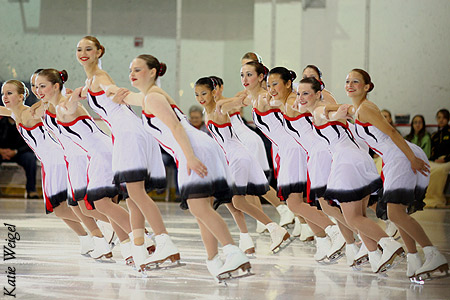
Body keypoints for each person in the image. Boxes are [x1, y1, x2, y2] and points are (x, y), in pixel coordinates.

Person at [110, 54, 251, 281]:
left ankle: (233, 251)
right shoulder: (150, 96)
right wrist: (110, 92)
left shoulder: (153, 97)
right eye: (131, 70)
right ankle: (214, 260)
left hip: (193, 150)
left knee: (200, 209)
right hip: (198, 148)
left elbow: (175, 127)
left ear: (153, 72)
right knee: (201, 209)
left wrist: (190, 157)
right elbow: (132, 97)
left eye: (138, 70)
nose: (132, 75)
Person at [330, 69, 448, 279]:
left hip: (400, 156)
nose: (350, 85)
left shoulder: (366, 108)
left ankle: (433, 253)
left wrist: (411, 158)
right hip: (392, 158)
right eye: (347, 81)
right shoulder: (356, 110)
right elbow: (331, 109)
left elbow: (392, 131)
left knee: (394, 214)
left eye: (355, 82)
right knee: (397, 214)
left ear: (367, 87)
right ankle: (414, 258)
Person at [296, 76, 405, 273]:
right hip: (360, 160)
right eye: (299, 93)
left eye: (306, 93)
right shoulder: (319, 109)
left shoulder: (320, 109)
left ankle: (389, 245)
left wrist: (337, 113)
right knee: (359, 215)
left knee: (352, 218)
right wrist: (339, 111)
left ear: (318, 93)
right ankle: (374, 255)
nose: (301, 98)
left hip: (347, 164)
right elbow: (332, 112)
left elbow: (328, 113)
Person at [75, 36, 167, 269]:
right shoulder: (89, 81)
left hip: (128, 132)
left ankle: (158, 240)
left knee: (133, 195)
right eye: (79, 49)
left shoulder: (100, 78)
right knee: (130, 196)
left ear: (99, 52)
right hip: (124, 133)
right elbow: (86, 92)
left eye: (88, 49)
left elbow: (109, 88)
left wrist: (116, 92)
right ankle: (140, 245)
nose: (83, 52)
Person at [35, 68, 133, 260]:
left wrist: (88, 91)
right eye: (36, 86)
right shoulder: (50, 105)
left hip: (90, 154)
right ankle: (128, 245)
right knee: (91, 204)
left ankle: (140, 237)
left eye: (42, 86)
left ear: (56, 86)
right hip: (84, 155)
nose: (38, 90)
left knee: (95, 204)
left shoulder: (64, 103)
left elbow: (81, 96)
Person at [0, 79, 97, 255]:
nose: (5, 97)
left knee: (66, 205)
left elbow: (48, 105)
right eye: (3, 94)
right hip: (49, 163)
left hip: (57, 161)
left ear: (21, 96)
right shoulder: (15, 113)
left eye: (9, 93)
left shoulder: (30, 113)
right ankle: (86, 238)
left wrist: (58, 95)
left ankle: (98, 232)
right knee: (59, 210)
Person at [195, 76, 290, 253]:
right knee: (231, 201)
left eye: (204, 93)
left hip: (237, 156)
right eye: (197, 94)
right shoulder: (207, 111)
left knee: (237, 201)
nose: (200, 97)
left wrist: (256, 94)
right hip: (232, 156)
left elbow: (241, 101)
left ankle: (274, 228)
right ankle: (246, 240)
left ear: (214, 92)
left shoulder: (221, 106)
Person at [214, 73, 295, 233]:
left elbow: (251, 96)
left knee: (253, 183)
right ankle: (268, 219)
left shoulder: (232, 99)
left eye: (212, 88)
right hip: (242, 142)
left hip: (246, 141)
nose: (209, 93)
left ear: (221, 88)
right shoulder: (215, 105)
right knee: (251, 184)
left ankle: (283, 210)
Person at [0, 115, 38, 199]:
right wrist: (1, 151)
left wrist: (15, 151)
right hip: (1, 151)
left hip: (19, 152)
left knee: (30, 158)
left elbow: (30, 143)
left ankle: (31, 190)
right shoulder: (2, 122)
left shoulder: (25, 123)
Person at [424, 108, 450, 208]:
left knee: (439, 170)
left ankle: (437, 197)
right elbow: (432, 151)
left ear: (448, 119)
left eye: (444, 118)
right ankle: (426, 196)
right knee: (426, 168)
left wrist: (445, 159)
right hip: (436, 161)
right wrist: (434, 159)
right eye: (439, 117)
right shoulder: (434, 135)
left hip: (447, 161)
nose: (441, 120)